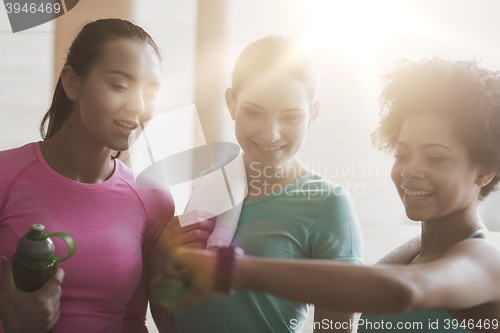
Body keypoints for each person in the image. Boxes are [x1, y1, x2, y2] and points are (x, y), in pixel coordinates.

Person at [174, 57, 500, 333]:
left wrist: (234, 271)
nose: (411, 170)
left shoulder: (485, 261)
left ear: (485, 170)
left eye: (435, 158)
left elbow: (403, 291)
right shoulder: (410, 259)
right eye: (402, 155)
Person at [0, 18, 210, 333]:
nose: (138, 106)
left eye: (150, 92)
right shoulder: (6, 176)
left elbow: (132, 321)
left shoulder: (153, 202)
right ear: (72, 83)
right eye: (119, 85)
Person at [159, 35, 363, 333]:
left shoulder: (329, 205)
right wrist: (161, 253)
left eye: (291, 117)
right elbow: (175, 312)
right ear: (231, 102)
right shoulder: (211, 184)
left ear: (313, 114)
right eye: (254, 112)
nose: (270, 134)